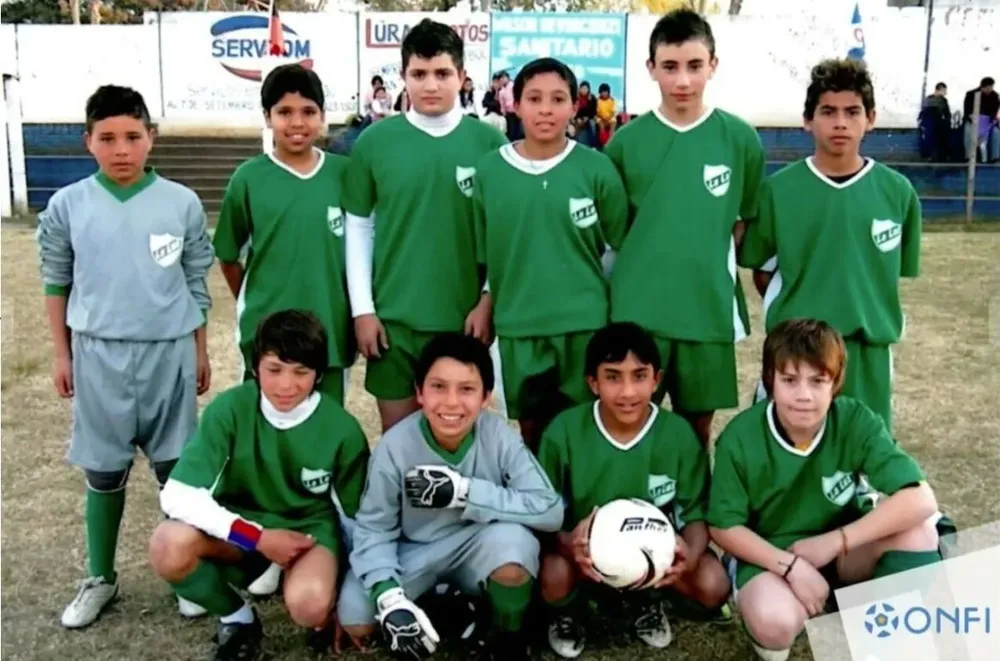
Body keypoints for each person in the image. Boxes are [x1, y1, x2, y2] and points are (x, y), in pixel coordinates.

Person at [35, 84, 213, 629]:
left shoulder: (181, 202)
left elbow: (195, 282)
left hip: (168, 354)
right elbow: (56, 281)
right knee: (104, 470)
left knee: (175, 469)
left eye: (132, 137)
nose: (121, 149)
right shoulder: (67, 205)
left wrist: (200, 351)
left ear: (150, 139)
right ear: (88, 142)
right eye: (107, 138)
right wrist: (62, 355)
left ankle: (184, 574)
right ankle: (100, 577)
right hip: (99, 356)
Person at [708, 319, 942, 661]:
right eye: (790, 380)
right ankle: (779, 605)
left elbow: (920, 499)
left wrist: (835, 541)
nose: (803, 395)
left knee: (919, 534)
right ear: (769, 379)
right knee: (775, 623)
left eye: (818, 381)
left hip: (842, 552)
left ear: (835, 382)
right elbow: (723, 526)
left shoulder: (854, 419)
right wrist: (792, 567)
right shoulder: (740, 438)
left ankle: (880, 632)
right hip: (773, 555)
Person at [149, 310, 371, 661]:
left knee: (310, 606)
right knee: (168, 544)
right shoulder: (229, 410)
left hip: (306, 533)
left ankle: (297, 578)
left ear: (318, 375)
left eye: (301, 372)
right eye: (274, 370)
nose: (286, 385)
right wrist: (257, 538)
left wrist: (350, 598)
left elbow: (359, 521)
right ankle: (237, 617)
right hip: (242, 532)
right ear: (254, 367)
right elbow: (177, 495)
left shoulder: (342, 429)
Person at [335, 333, 563, 660]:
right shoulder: (395, 446)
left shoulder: (498, 435)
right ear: (419, 393)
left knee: (514, 544)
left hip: (479, 543)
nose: (452, 402)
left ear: (486, 396)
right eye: (438, 387)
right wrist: (389, 598)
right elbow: (374, 529)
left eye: (467, 389)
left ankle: (509, 634)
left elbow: (549, 508)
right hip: (413, 549)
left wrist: (465, 492)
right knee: (356, 618)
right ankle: (446, 607)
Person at [604, 9, 766, 446]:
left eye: (695, 66)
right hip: (639, 312)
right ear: (651, 68)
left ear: (713, 65)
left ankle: (693, 512)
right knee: (635, 427)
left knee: (697, 429)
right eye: (670, 67)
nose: (682, 81)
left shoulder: (740, 140)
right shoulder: (624, 144)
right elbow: (615, 235)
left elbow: (740, 223)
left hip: (705, 310)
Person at [342, 18, 507, 433]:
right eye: (419, 74)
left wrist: (487, 299)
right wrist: (363, 310)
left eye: (442, 74)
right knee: (399, 443)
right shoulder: (375, 142)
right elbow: (359, 228)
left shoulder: (489, 145)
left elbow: (504, 234)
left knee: (459, 442)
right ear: (403, 77)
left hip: (464, 323)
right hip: (393, 324)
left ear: (462, 77)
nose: (430, 85)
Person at [739, 58, 921, 434]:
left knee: (863, 457)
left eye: (852, 111)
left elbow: (888, 275)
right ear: (808, 119)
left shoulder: (898, 193)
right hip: (797, 353)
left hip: (866, 351)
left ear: (870, 118)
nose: (840, 122)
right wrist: (800, 315)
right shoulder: (778, 190)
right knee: (784, 455)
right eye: (828, 111)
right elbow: (762, 270)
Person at [536, 323, 730, 659]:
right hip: (581, 556)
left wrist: (689, 557)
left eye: (639, 376)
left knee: (713, 584)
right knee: (552, 578)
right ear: (592, 382)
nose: (627, 391)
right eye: (613, 377)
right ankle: (570, 612)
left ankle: (648, 601)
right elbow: (541, 513)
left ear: (656, 380)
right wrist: (569, 545)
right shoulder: (563, 432)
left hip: (653, 554)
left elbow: (695, 514)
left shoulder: (678, 435)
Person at [472, 57, 628, 450]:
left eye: (558, 99)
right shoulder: (490, 172)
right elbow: (491, 253)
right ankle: (541, 510)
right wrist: (487, 303)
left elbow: (618, 246)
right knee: (533, 432)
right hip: (520, 324)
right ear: (515, 104)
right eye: (535, 98)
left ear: (574, 106)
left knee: (587, 430)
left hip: (585, 324)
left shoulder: (597, 169)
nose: (545, 109)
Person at [213, 64, 354, 408]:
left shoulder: (345, 174)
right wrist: (256, 300)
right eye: (284, 112)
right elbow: (229, 256)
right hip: (267, 334)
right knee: (264, 435)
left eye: (308, 112)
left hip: (329, 332)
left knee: (323, 432)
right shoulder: (248, 178)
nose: (296, 123)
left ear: (323, 116)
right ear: (267, 117)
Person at [963, 76, 1000, 163]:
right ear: (982, 87)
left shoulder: (995, 96)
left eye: (991, 87)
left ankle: (996, 157)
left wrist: (993, 119)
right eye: (987, 88)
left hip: (987, 121)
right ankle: (969, 157)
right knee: (968, 132)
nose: (989, 89)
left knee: (996, 132)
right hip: (973, 120)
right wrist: (970, 116)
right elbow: (967, 110)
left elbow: (994, 110)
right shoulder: (971, 94)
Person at [919, 82, 952, 161]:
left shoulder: (932, 100)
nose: (945, 93)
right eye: (944, 91)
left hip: (936, 125)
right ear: (939, 90)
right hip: (932, 124)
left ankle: (933, 156)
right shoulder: (933, 100)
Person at [595, 83, 617, 147]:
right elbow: (597, 112)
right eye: (602, 92)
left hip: (610, 117)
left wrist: (608, 118)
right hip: (600, 117)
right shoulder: (597, 100)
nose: (604, 93)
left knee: (613, 122)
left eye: (605, 92)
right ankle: (603, 142)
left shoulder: (612, 100)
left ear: (608, 92)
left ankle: (611, 141)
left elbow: (613, 111)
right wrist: (603, 118)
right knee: (601, 124)